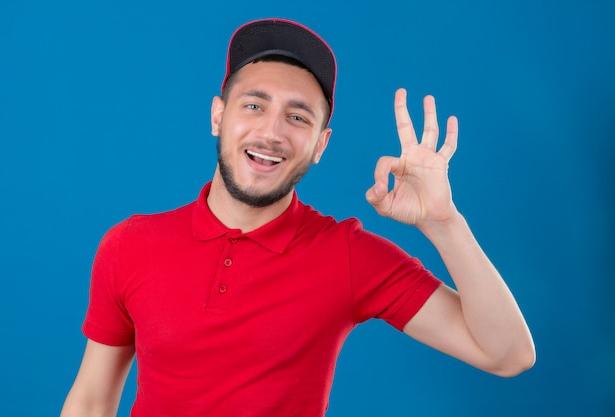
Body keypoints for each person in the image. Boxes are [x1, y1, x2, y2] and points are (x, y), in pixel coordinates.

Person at [60, 18, 535, 417]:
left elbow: (507, 354)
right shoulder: (130, 244)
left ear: (320, 145)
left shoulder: (347, 254)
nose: (271, 132)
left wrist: (443, 222)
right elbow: (91, 400)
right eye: (253, 105)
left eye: (298, 117)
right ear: (217, 116)